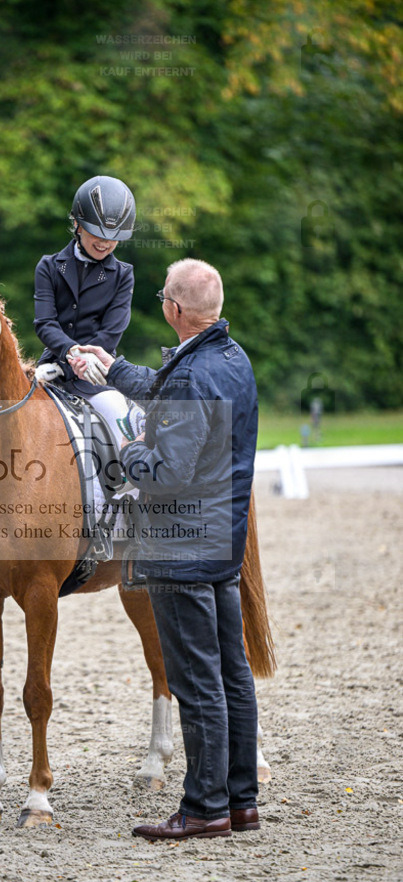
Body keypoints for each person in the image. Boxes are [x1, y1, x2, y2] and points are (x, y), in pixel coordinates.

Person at [73, 258, 261, 841]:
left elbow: (167, 470)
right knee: (232, 675)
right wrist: (113, 370)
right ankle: (240, 801)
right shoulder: (230, 359)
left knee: (197, 681)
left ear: (173, 309)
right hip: (221, 543)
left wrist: (130, 448)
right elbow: (168, 389)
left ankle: (203, 808)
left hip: (180, 546)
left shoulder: (189, 375)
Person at [33, 174, 137, 448]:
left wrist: (82, 361)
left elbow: (111, 332)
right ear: (77, 224)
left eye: (113, 237)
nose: (105, 242)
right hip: (50, 370)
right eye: (98, 233)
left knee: (119, 423)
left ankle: (127, 490)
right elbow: (45, 323)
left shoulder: (123, 275)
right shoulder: (49, 266)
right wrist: (69, 353)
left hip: (97, 376)